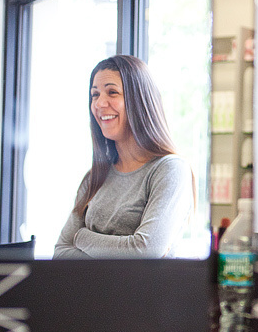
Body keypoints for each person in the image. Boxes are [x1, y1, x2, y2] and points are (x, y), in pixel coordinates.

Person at [53, 55, 194, 259]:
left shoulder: (170, 169)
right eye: (95, 94)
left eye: (112, 92)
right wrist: (120, 252)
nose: (99, 103)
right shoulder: (94, 178)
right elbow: (60, 254)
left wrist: (81, 237)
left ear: (139, 101)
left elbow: (145, 251)